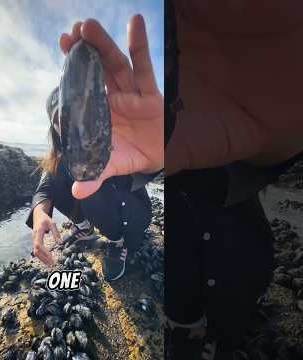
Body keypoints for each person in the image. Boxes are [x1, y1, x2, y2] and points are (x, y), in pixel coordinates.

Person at [53, 5, 303, 360]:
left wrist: (278, 142)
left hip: (238, 262)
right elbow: (52, 183)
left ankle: (218, 331)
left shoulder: (203, 126)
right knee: (185, 315)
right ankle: (188, 329)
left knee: (233, 318)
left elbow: (253, 161)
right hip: (184, 277)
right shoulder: (87, 153)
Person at [26, 85, 158, 281]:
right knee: (57, 174)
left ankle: (118, 241)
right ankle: (84, 227)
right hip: (103, 209)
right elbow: (44, 189)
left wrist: (155, 157)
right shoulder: (62, 156)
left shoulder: (116, 139)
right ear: (55, 127)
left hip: (134, 215)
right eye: (60, 118)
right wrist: (39, 215)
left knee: (87, 182)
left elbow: (150, 168)